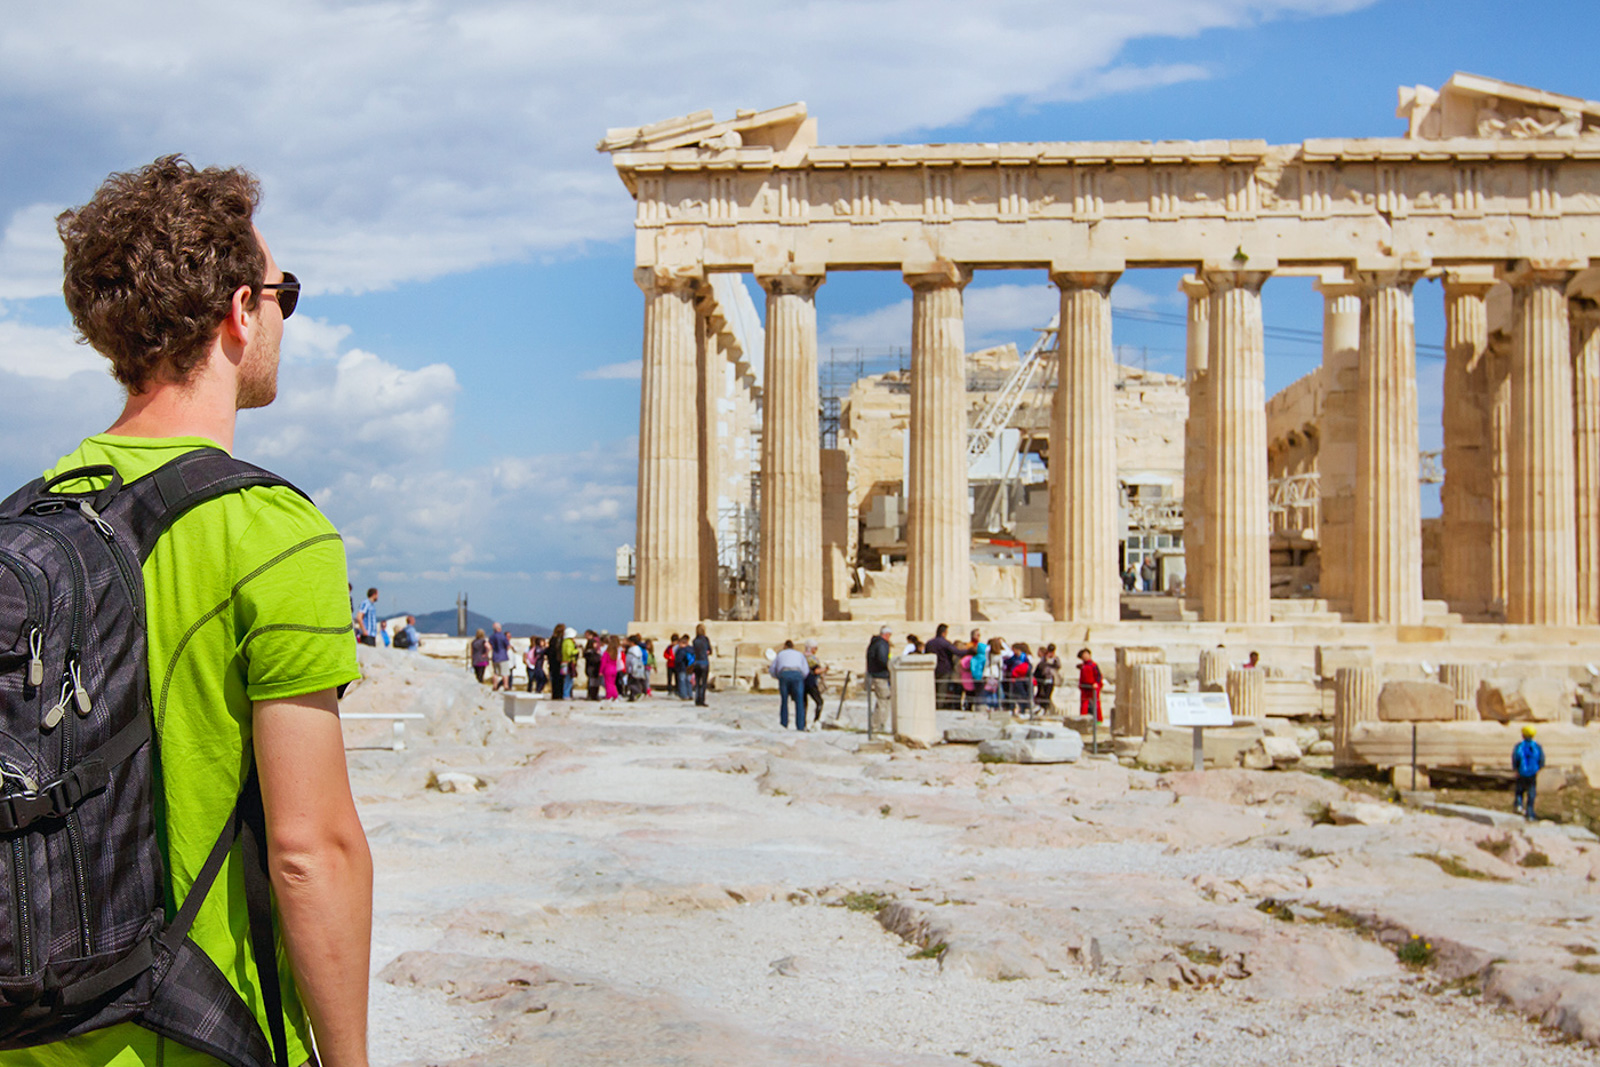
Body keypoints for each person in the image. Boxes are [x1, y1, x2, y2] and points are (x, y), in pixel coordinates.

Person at [23, 156, 370, 1066]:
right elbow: (311, 850)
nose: (283, 318)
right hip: (197, 1033)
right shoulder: (275, 532)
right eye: (281, 293)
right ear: (237, 311)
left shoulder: (28, 517)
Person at [770, 640, 810, 730]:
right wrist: (801, 677)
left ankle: (784, 724)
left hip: (784, 674)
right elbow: (805, 670)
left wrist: (777, 676)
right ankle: (800, 725)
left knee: (784, 700)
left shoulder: (780, 654)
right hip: (797, 674)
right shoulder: (799, 654)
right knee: (799, 700)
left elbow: (773, 668)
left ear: (785, 646)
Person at [1512, 724, 1545, 821]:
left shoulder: (1519, 746)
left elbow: (1515, 758)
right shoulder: (1537, 746)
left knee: (1519, 790)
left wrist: (1516, 769)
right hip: (1532, 773)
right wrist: (1538, 768)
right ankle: (1530, 813)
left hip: (1521, 772)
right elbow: (1541, 759)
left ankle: (1519, 805)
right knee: (1531, 793)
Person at [865, 625, 892, 731]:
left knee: (883, 700)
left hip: (875, 674)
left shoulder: (874, 643)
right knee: (883, 700)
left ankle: (879, 723)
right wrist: (889, 666)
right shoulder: (881, 644)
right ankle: (876, 725)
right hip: (880, 675)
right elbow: (882, 659)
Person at [925, 623, 958, 710]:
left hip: (932, 668)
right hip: (944, 669)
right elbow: (956, 652)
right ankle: (939, 707)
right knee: (942, 689)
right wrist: (970, 651)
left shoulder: (929, 643)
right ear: (944, 632)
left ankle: (931, 705)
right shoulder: (945, 643)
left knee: (933, 688)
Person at [1077, 647, 1105, 723]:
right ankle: (1082, 721)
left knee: (1096, 704)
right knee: (1084, 705)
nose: (1085, 656)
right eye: (1083, 655)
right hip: (1085, 688)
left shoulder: (1093, 665)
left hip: (1093, 687)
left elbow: (1099, 676)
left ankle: (1099, 720)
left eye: (1086, 654)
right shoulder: (1083, 666)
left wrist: (1096, 683)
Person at [803, 639, 828, 723]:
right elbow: (816, 671)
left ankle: (803, 722)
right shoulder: (811, 659)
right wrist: (825, 669)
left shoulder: (803, 657)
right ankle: (816, 720)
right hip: (811, 682)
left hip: (802, 682)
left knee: (804, 704)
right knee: (819, 701)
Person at [1034, 643, 1061, 716]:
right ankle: (1041, 708)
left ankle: (1045, 709)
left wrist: (1053, 659)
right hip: (1043, 678)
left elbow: (1058, 666)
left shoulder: (1056, 658)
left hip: (1051, 679)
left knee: (1047, 695)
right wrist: (1046, 659)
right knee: (1041, 693)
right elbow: (1041, 666)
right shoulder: (1044, 658)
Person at [692, 623, 714, 706]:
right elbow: (710, 650)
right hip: (704, 663)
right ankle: (702, 700)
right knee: (703, 683)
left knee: (697, 683)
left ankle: (697, 700)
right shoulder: (706, 640)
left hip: (697, 663)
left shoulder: (694, 641)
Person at [487, 621, 512, 692]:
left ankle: (495, 685)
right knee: (505, 673)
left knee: (496, 673)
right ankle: (506, 686)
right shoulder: (503, 637)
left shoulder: (492, 637)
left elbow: (490, 646)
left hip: (495, 656)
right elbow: (508, 646)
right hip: (503, 656)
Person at [545, 624, 567, 700]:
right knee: (560, 679)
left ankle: (556, 695)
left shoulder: (553, 639)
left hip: (554, 662)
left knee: (555, 679)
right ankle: (559, 695)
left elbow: (549, 651)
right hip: (560, 661)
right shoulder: (561, 640)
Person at [600, 634, 623, 701]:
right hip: (614, 669)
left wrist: (600, 671)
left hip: (608, 669)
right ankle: (615, 695)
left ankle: (609, 696)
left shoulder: (606, 653)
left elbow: (603, 663)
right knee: (612, 684)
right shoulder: (615, 654)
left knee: (608, 684)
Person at [625, 635, 648, 700]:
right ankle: (632, 697)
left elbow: (629, 660)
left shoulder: (631, 649)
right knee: (635, 683)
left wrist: (627, 668)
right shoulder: (638, 648)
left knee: (632, 683)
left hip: (632, 669)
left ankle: (638, 693)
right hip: (638, 668)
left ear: (632, 642)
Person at [674, 634, 696, 700]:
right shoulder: (691, 649)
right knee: (689, 681)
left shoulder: (681, 650)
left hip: (682, 668)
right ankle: (690, 694)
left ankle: (684, 695)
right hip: (690, 668)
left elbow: (678, 660)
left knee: (682, 681)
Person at [584, 631, 603, 701]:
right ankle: (591, 695)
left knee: (596, 683)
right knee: (592, 683)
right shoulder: (590, 652)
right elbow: (593, 660)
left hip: (595, 669)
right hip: (592, 669)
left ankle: (595, 695)